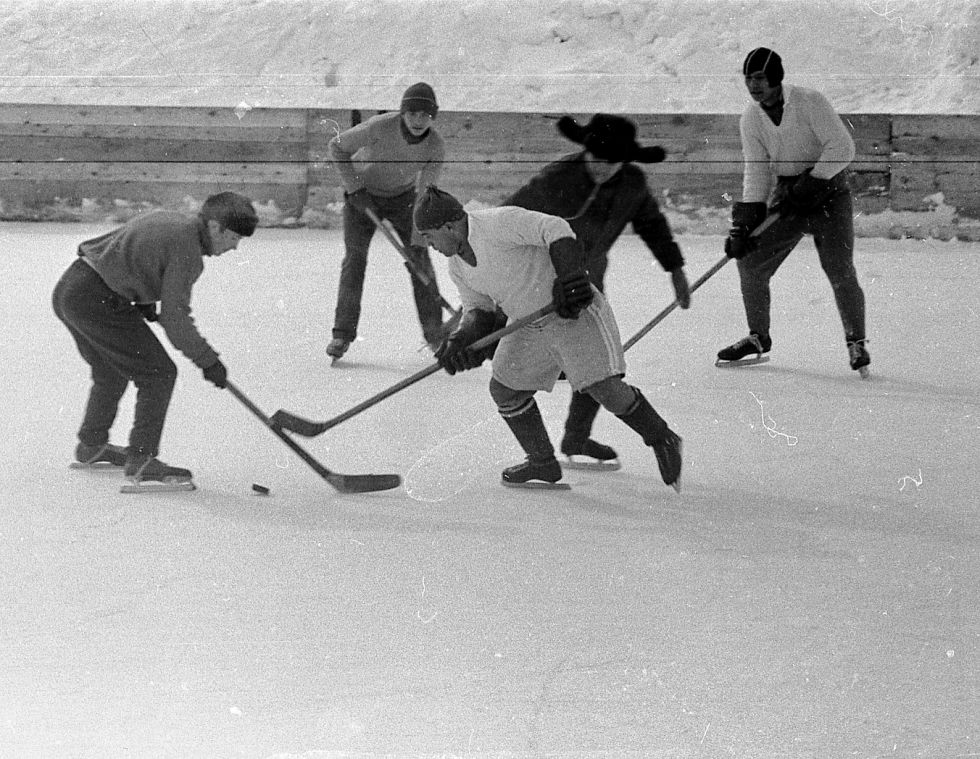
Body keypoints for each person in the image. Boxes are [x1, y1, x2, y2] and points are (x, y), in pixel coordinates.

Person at [412, 186, 682, 491]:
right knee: (505, 390)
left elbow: (554, 227)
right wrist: (460, 341)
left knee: (601, 387)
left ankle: (661, 436)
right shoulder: (457, 266)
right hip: (527, 324)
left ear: (449, 226)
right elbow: (479, 310)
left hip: (570, 309)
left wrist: (570, 276)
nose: (428, 244)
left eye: (429, 236)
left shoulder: (497, 223)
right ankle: (542, 462)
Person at [503, 113, 691, 469]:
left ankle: (576, 437)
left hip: (588, 284)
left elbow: (652, 225)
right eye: (595, 159)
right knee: (533, 367)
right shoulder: (558, 177)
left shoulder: (632, 183)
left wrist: (676, 270)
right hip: (540, 281)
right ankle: (542, 454)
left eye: (610, 162)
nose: (600, 168)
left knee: (597, 363)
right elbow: (508, 217)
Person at [52, 191, 258, 488]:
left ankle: (91, 445)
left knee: (110, 371)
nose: (235, 247)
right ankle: (142, 459)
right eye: (234, 238)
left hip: (71, 289)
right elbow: (176, 320)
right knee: (159, 373)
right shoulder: (188, 251)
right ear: (215, 227)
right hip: (98, 301)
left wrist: (144, 295)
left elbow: (134, 249)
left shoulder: (173, 221)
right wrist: (208, 360)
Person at [719, 47, 869, 375]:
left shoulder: (809, 102)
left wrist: (812, 183)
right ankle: (758, 336)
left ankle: (856, 341)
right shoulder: (751, 118)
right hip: (789, 197)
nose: (753, 86)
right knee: (750, 261)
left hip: (828, 192)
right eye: (748, 79)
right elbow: (757, 170)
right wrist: (744, 223)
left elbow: (842, 147)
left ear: (775, 78)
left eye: (759, 78)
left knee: (839, 268)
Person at [326, 82, 448, 360]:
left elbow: (426, 195)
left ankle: (436, 334)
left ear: (433, 117)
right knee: (354, 261)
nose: (418, 121)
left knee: (421, 259)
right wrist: (354, 188)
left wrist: (418, 239)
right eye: (413, 113)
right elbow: (336, 147)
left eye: (425, 115)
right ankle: (341, 335)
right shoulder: (379, 126)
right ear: (403, 113)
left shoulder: (435, 146)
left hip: (403, 200)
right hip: (362, 198)